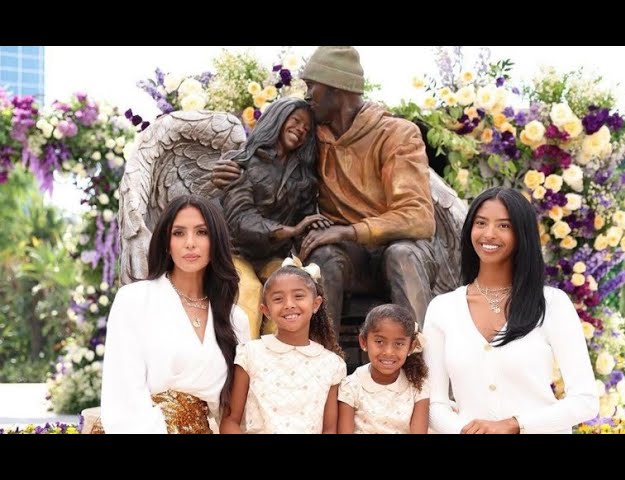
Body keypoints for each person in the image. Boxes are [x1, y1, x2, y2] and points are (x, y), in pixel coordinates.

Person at [213, 46, 436, 333]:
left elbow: (418, 217)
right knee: (323, 257)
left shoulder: (397, 134)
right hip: (348, 256)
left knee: (402, 256)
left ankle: (420, 362)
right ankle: (321, 362)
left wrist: (347, 231)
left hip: (398, 248)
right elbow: (267, 154)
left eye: (311, 86)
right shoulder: (313, 137)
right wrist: (233, 166)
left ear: (335, 89)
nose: (307, 95)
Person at [424, 187, 598, 434]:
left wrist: (515, 424)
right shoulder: (442, 309)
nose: (489, 234)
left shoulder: (552, 304)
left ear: (522, 234)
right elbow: (434, 403)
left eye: (504, 226)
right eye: (481, 223)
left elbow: (585, 400)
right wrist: (466, 431)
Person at [95, 194, 251, 434]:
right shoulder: (134, 300)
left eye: (202, 232)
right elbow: (123, 394)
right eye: (179, 233)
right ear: (166, 243)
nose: (190, 243)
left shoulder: (234, 319)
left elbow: (237, 412)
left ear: (216, 241)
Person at [220, 96, 331, 338]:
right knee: (248, 291)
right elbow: (240, 219)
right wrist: (291, 230)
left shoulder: (304, 178)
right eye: (296, 121)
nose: (301, 130)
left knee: (288, 291)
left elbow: (306, 219)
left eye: (306, 129)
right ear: (278, 118)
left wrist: (314, 236)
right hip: (235, 252)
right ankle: (244, 366)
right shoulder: (243, 162)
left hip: (273, 255)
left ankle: (281, 364)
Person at [219, 260, 347, 433]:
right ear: (266, 311)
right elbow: (230, 421)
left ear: (316, 304)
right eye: (278, 299)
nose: (289, 304)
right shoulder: (249, 354)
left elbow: (329, 429)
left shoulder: (332, 364)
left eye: (298, 296)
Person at [338, 303, 429, 434]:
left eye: (399, 344)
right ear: (364, 342)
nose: (388, 352)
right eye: (379, 342)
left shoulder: (418, 386)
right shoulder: (351, 386)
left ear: (410, 346)